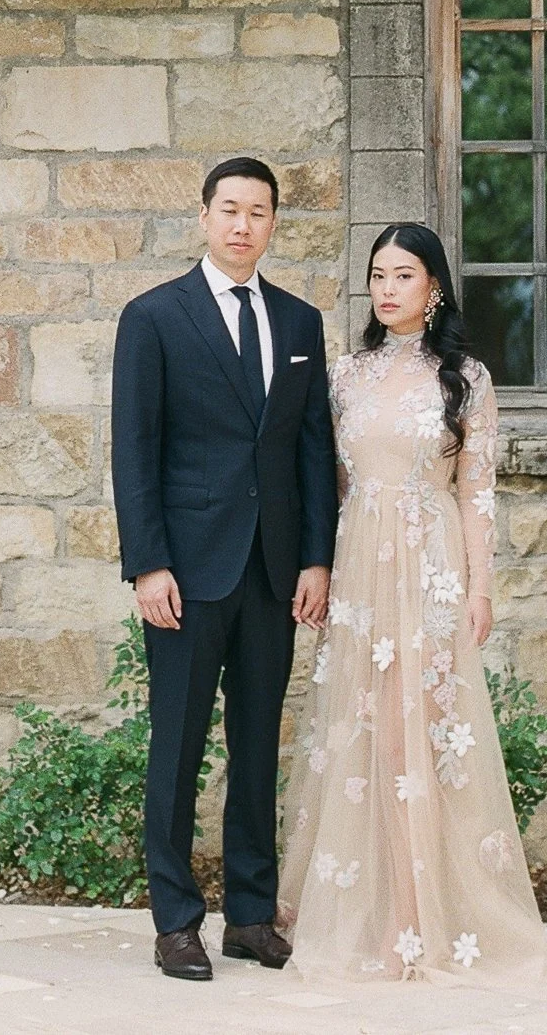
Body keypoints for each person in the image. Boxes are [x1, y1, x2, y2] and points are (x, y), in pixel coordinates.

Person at [278, 223, 547, 985]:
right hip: (360, 573)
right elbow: (329, 486)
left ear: (433, 286)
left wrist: (479, 587)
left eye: (403, 275)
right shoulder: (345, 376)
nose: (387, 288)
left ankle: (417, 921)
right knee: (364, 733)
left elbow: (476, 494)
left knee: (420, 741)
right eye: (378, 275)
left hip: (429, 567)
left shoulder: (465, 379)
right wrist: (320, 568)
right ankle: (371, 912)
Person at [110, 156, 337, 981]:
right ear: (204, 217)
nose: (243, 225)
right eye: (230, 209)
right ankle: (175, 921)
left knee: (256, 745)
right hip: (185, 572)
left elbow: (312, 451)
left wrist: (315, 558)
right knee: (176, 748)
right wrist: (148, 565)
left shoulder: (300, 323)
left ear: (273, 224)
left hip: (272, 573)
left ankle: (249, 915)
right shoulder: (153, 317)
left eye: (259, 212)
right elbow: (134, 449)